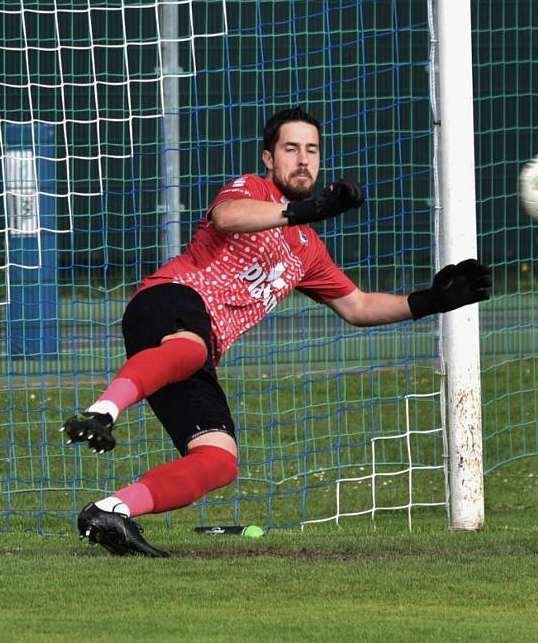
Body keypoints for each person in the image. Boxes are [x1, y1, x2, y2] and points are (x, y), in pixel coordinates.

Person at [61, 106, 492, 557]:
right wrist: (307, 208)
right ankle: (102, 411)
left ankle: (110, 511)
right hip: (168, 301)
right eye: (291, 149)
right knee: (190, 348)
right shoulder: (253, 188)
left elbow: (358, 306)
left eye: (312, 150)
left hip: (196, 348)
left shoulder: (308, 249)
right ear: (269, 158)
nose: (303, 159)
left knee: (219, 459)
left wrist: (431, 300)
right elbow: (227, 217)